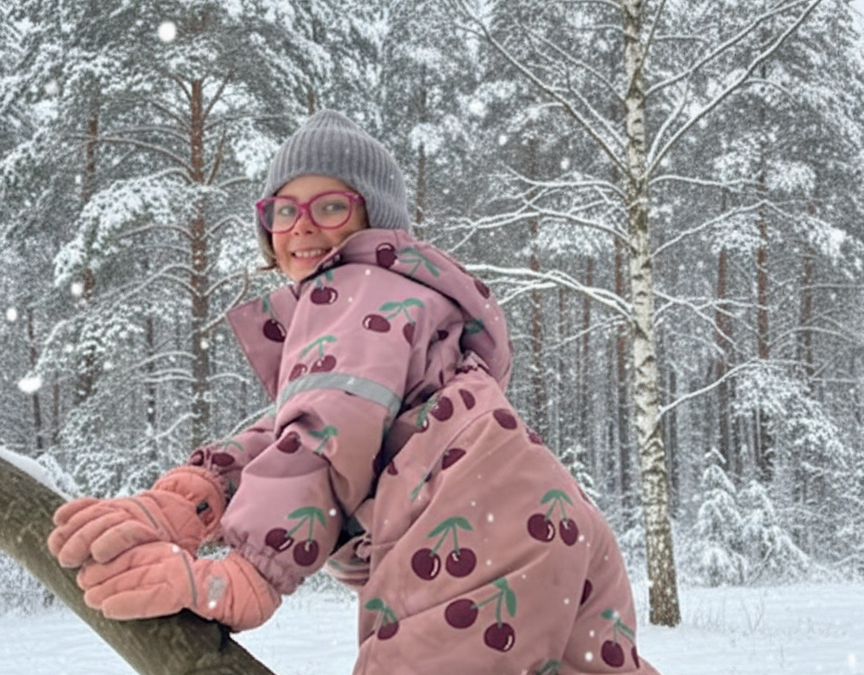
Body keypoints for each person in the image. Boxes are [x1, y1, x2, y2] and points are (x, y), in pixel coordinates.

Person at [47, 110, 661, 674]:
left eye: (331, 206)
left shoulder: (352, 286)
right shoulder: (396, 303)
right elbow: (317, 424)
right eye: (283, 210)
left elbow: (327, 430)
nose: (302, 226)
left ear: (376, 220)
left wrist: (252, 569)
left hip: (471, 526)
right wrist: (196, 495)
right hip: (542, 515)